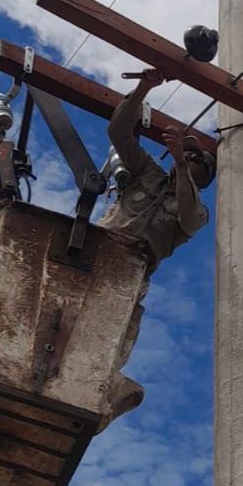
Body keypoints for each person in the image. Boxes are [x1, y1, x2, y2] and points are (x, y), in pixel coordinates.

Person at [96, 67, 216, 429]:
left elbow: (187, 211)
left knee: (109, 336)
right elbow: (117, 131)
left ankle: (100, 401)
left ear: (204, 176)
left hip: (132, 267)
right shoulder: (147, 173)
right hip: (98, 247)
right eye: (188, 155)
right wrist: (143, 88)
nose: (187, 158)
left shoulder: (198, 211)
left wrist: (180, 158)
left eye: (196, 159)